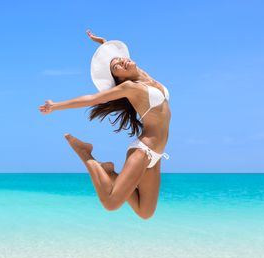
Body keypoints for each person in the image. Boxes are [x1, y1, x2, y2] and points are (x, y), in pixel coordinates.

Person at [38, 30, 171, 219]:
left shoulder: (146, 78)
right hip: (143, 151)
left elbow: (118, 60)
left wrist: (105, 47)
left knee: (145, 212)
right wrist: (55, 106)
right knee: (111, 203)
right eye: (117, 67)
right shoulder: (130, 88)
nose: (121, 62)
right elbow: (92, 99)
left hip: (156, 155)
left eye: (119, 60)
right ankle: (85, 154)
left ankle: (111, 173)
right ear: (120, 79)